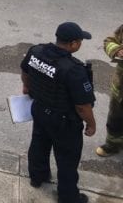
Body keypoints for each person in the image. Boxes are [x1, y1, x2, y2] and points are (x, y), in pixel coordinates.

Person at [21, 22, 96, 203]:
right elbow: (82, 106)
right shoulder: (74, 70)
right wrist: (91, 124)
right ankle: (68, 197)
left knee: (39, 143)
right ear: (73, 44)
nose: (80, 44)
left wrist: (26, 87)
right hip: (63, 121)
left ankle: (37, 177)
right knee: (67, 160)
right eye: (80, 41)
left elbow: (25, 71)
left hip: (39, 109)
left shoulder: (36, 51)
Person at [96, 23, 123, 157]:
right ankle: (113, 145)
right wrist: (117, 50)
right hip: (120, 89)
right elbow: (109, 41)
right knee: (115, 118)